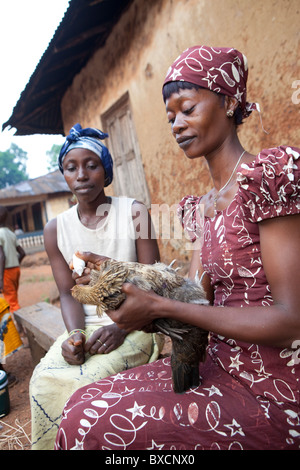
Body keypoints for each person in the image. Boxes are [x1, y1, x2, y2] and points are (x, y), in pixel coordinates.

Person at [54, 46, 300, 451]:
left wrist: (162, 309)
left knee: (93, 425)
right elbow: (194, 301)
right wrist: (121, 282)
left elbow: (293, 320)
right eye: (171, 117)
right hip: (212, 363)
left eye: (187, 108)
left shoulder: (269, 179)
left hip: (272, 387)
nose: (177, 124)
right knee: (81, 405)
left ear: (228, 101)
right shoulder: (202, 208)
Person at [29, 123, 164, 450]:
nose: (81, 174)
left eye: (91, 165)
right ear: (64, 176)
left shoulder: (134, 212)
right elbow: (67, 292)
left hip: (137, 325)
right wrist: (75, 335)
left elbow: (154, 281)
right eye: (71, 167)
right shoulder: (55, 229)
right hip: (86, 326)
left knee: (87, 385)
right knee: (41, 384)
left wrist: (123, 328)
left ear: (106, 171)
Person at [0, 206, 26, 315]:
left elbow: (1, 256)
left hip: (6, 272)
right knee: (13, 298)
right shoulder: (11, 233)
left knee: (12, 302)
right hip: (15, 270)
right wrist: (15, 263)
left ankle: (20, 328)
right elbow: (22, 253)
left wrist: (0, 278)